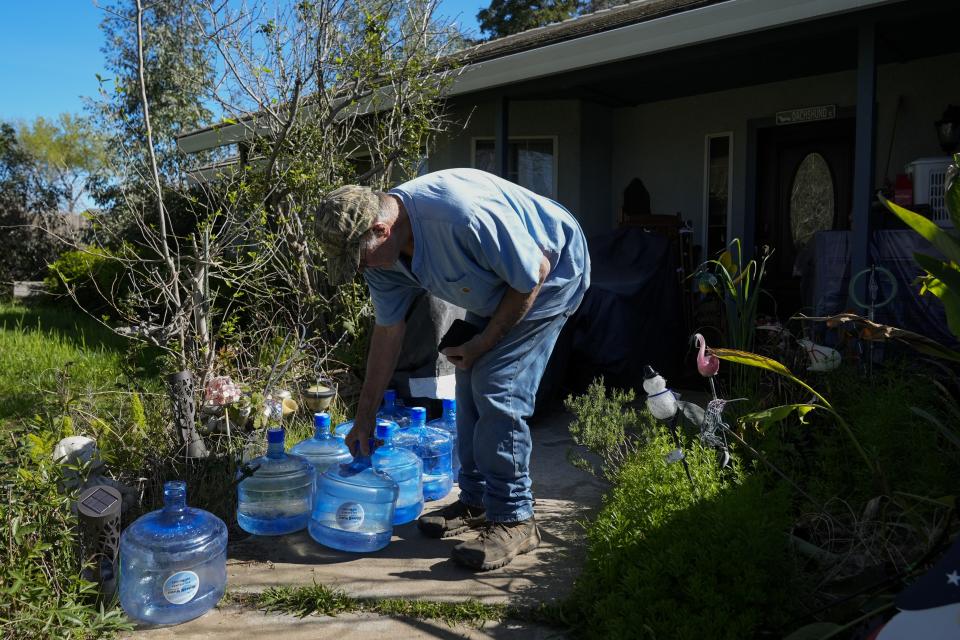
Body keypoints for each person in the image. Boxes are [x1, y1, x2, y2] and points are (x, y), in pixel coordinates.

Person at [314, 168, 590, 570]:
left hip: (550, 272)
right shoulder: (384, 260)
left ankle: (515, 517)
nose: (358, 269)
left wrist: (483, 342)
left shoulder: (460, 217)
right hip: (498, 281)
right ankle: (478, 500)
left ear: (381, 229)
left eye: (358, 258)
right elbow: (388, 333)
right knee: (467, 380)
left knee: (498, 386)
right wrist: (364, 418)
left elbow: (534, 273)